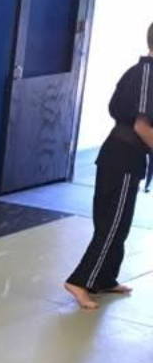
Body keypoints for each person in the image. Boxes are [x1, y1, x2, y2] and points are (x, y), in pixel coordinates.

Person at [65, 24, 153, 310]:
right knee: (112, 225)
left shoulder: (137, 72)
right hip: (123, 156)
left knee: (119, 223)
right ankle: (79, 281)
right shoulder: (147, 74)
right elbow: (142, 125)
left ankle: (104, 278)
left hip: (121, 156)